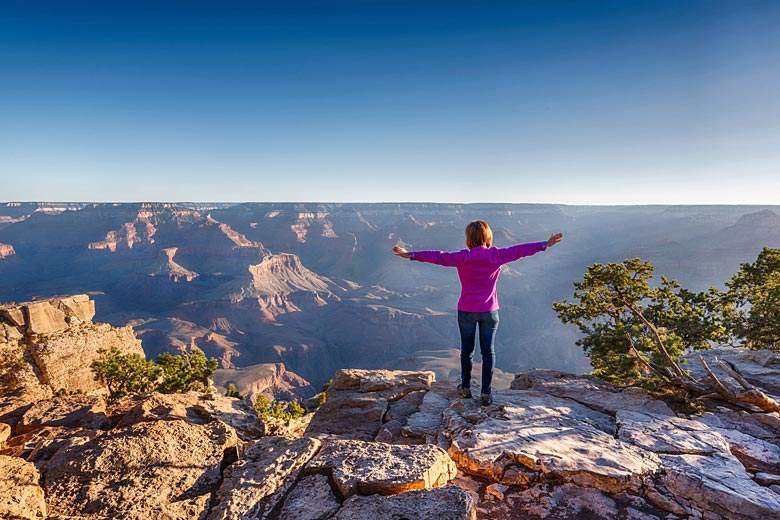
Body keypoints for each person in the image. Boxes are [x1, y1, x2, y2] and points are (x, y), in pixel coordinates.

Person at [393, 221, 563, 406]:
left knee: (467, 351)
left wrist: (410, 255)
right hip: (490, 312)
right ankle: (486, 394)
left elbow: (438, 257)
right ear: (488, 237)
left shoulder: (463, 257)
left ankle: (465, 388)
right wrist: (544, 244)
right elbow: (520, 250)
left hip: (466, 310)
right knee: (488, 352)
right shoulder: (496, 255)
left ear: (469, 238)